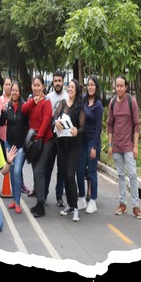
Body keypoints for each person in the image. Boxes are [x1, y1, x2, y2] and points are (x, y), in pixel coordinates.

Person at [107, 75, 141, 220]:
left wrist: (136, 146)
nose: (119, 88)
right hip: (116, 146)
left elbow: (137, 124)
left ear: (126, 87)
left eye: (121, 86)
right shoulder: (112, 103)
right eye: (117, 86)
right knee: (121, 175)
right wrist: (110, 145)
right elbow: (110, 125)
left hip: (129, 146)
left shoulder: (131, 101)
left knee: (133, 175)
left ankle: (136, 206)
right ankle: (122, 204)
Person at [53, 79, 86, 222]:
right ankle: (70, 205)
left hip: (73, 146)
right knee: (64, 174)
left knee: (70, 174)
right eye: (69, 87)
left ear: (77, 90)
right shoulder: (62, 104)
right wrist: (56, 122)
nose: (70, 89)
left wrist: (77, 131)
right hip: (61, 144)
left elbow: (83, 127)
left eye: (73, 87)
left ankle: (76, 207)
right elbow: (55, 117)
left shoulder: (79, 107)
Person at [21, 75, 54, 218]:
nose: (36, 88)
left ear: (43, 87)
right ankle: (39, 201)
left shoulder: (46, 102)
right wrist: (32, 102)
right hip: (34, 142)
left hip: (44, 141)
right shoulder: (31, 100)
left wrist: (39, 138)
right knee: (35, 171)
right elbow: (23, 110)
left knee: (39, 171)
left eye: (38, 85)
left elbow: (46, 121)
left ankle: (41, 204)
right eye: (34, 85)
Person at [0, 81, 28, 214]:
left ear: (20, 92)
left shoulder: (24, 107)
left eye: (16, 90)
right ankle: (14, 200)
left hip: (21, 146)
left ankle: (18, 202)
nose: (14, 92)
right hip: (9, 144)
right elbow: (1, 123)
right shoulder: (7, 106)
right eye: (12, 90)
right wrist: (2, 112)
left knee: (17, 172)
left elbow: (28, 124)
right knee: (11, 171)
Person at [77, 75, 103, 214]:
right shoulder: (84, 100)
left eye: (93, 85)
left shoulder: (98, 105)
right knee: (80, 170)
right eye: (88, 85)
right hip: (82, 140)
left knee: (92, 173)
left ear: (96, 87)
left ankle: (93, 200)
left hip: (92, 141)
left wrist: (94, 147)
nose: (90, 87)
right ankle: (81, 198)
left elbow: (99, 128)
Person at [44, 69, 67, 207]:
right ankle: (44, 194)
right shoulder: (48, 97)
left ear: (63, 81)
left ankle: (59, 196)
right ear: (53, 82)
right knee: (48, 168)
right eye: (55, 81)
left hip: (63, 139)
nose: (57, 83)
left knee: (61, 169)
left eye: (59, 81)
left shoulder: (68, 96)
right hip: (51, 139)